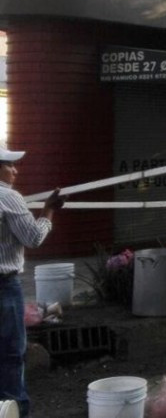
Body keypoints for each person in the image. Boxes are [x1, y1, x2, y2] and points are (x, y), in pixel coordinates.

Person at [0, 145, 65, 416]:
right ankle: (14, 412)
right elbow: (34, 238)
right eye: (9, 165)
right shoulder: (9, 197)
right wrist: (48, 211)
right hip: (4, 287)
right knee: (11, 356)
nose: (15, 170)